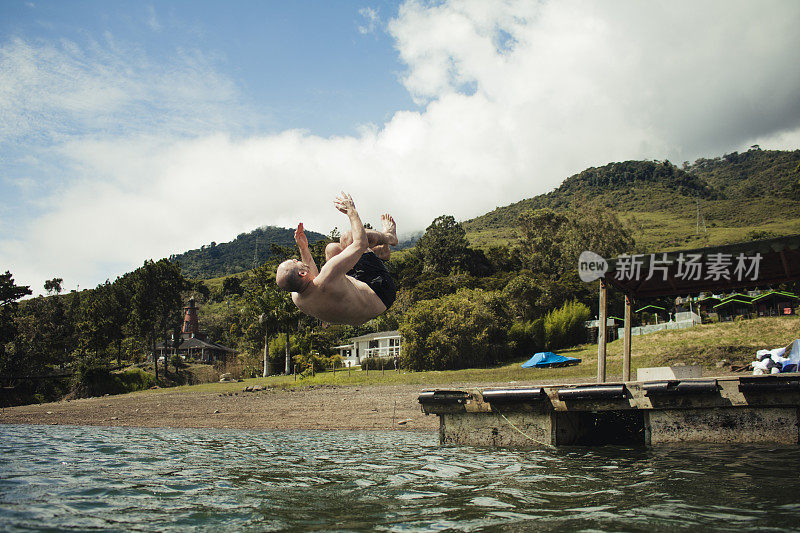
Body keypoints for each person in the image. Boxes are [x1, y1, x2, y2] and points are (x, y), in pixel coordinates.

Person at [275, 193, 398, 325]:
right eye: (295, 261)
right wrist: (351, 211)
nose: (296, 259)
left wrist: (304, 248)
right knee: (348, 238)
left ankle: (381, 252)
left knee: (332, 249)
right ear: (302, 273)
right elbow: (360, 244)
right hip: (381, 292)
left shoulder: (298, 299)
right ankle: (389, 237)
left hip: (360, 309)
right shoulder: (328, 275)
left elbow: (313, 280)